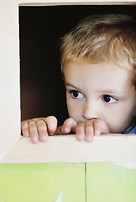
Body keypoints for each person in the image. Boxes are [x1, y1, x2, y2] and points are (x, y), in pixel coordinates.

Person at [21, 13, 136, 144]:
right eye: (76, 94)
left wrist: (108, 142)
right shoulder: (68, 130)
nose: (88, 113)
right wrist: (40, 134)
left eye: (107, 98)